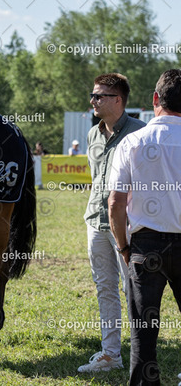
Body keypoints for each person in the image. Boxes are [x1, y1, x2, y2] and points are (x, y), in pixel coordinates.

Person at [108, 69, 181, 385]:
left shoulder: (132, 142)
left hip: (145, 245)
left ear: (155, 99)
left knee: (143, 333)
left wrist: (124, 246)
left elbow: (115, 203)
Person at [78, 73, 145, 373]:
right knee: (105, 287)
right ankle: (111, 355)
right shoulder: (92, 135)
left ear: (117, 100)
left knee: (134, 290)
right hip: (95, 221)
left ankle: (142, 354)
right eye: (93, 95)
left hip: (128, 224)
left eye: (99, 96)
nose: (92, 101)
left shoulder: (139, 133)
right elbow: (96, 179)